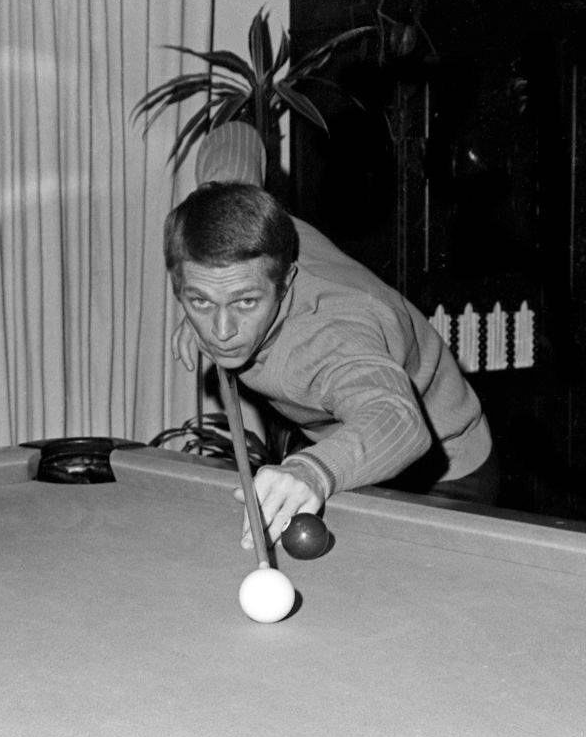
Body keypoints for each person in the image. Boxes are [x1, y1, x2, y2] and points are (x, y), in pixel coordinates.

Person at [164, 123, 496, 548]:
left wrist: (311, 472)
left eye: (246, 302)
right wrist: (213, 305)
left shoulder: (331, 336)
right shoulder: (246, 225)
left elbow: (399, 421)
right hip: (348, 441)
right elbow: (236, 133)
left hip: (446, 471)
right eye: (200, 301)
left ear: (285, 282)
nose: (223, 332)